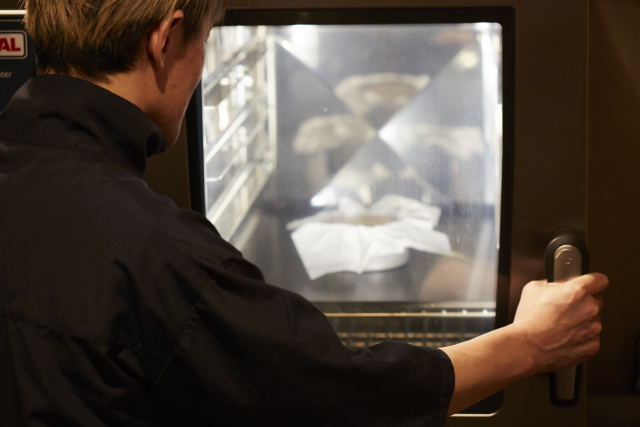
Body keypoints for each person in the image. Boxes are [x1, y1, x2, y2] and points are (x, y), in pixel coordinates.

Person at [0, 1, 608, 425]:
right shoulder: (155, 254)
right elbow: (341, 397)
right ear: (166, 39)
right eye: (206, 43)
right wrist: (532, 344)